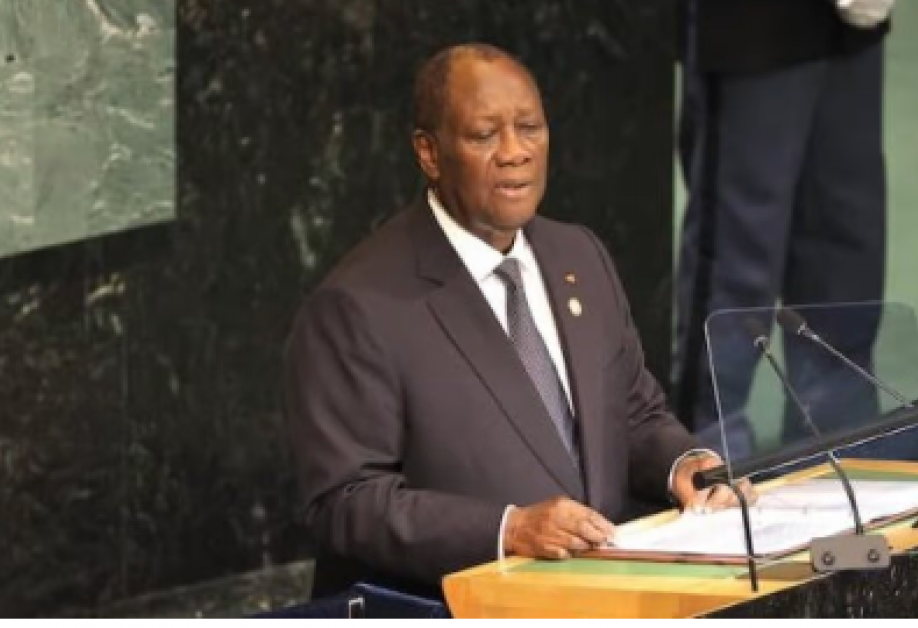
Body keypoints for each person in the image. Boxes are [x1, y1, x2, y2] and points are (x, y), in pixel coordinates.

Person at [285, 43, 753, 599]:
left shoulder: (579, 255)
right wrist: (508, 530)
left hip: (607, 597)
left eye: (529, 127)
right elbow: (346, 499)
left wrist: (683, 463)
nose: (515, 152)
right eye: (485, 136)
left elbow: (631, 414)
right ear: (429, 153)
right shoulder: (358, 306)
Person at [673, 0, 914, 452]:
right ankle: (707, 457)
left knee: (846, 245)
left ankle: (840, 451)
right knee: (737, 256)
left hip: (853, 8)